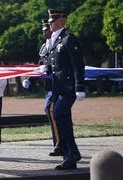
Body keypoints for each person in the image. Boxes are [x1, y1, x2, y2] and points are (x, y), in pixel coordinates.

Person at [46, 9, 85, 170]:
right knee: (60, 117)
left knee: (60, 115)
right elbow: (55, 65)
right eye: (50, 20)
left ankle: (70, 154)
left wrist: (79, 86)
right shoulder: (55, 40)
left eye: (53, 20)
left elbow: (78, 64)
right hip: (58, 87)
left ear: (62, 20)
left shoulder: (69, 39)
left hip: (68, 87)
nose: (50, 23)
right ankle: (71, 153)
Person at [23, 19, 63, 156]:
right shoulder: (44, 47)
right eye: (43, 30)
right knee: (53, 114)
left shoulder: (58, 43)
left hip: (58, 86)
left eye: (46, 29)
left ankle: (60, 144)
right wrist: (29, 78)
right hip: (48, 87)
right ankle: (58, 143)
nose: (43, 32)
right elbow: (40, 66)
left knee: (51, 111)